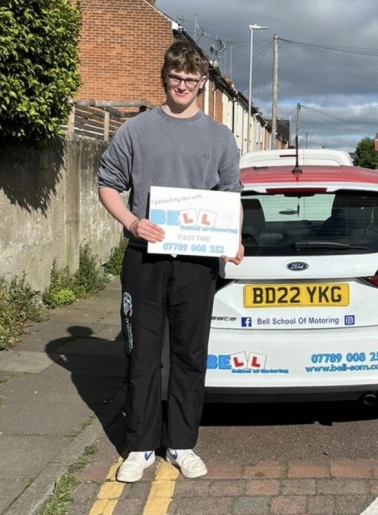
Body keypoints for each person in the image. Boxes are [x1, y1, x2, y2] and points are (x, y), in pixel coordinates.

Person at [97, 40, 244, 483]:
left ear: (203, 83)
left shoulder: (219, 137)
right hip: (145, 259)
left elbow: (231, 196)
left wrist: (232, 240)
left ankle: (181, 443)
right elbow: (107, 184)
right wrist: (132, 222)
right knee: (141, 354)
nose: (182, 85)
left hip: (197, 265)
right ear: (165, 78)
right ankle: (140, 447)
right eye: (176, 77)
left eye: (191, 79)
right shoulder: (136, 131)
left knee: (189, 354)